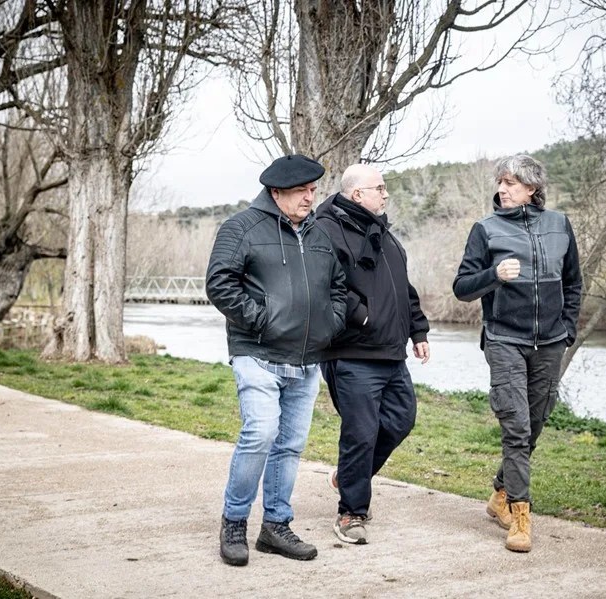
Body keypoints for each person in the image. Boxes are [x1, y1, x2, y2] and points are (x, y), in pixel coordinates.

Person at [206, 154, 348, 566]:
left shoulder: (319, 233)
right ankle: (234, 521)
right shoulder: (241, 227)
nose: (311, 196)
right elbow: (219, 283)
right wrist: (262, 321)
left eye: (312, 189)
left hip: (306, 359)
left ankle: (275, 526)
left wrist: (329, 324)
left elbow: (337, 287)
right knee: (261, 434)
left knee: (290, 445)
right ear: (276, 191)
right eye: (303, 190)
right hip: (258, 353)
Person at [452, 154, 582, 553]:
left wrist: (568, 330)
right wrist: (493, 275)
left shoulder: (559, 225)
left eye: (511, 183)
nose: (502, 189)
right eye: (501, 182)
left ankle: (499, 494)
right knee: (517, 426)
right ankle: (520, 514)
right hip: (504, 339)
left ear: (532, 188)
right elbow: (462, 287)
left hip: (550, 343)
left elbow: (574, 283)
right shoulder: (486, 230)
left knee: (536, 421)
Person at [315, 163, 430, 545]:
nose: (385, 194)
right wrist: (362, 316)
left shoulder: (384, 235)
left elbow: (403, 288)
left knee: (400, 420)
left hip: (391, 351)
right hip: (352, 350)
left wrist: (418, 330)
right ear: (356, 194)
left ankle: (348, 476)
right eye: (379, 188)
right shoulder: (327, 229)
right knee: (360, 434)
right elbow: (324, 283)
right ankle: (352, 513)